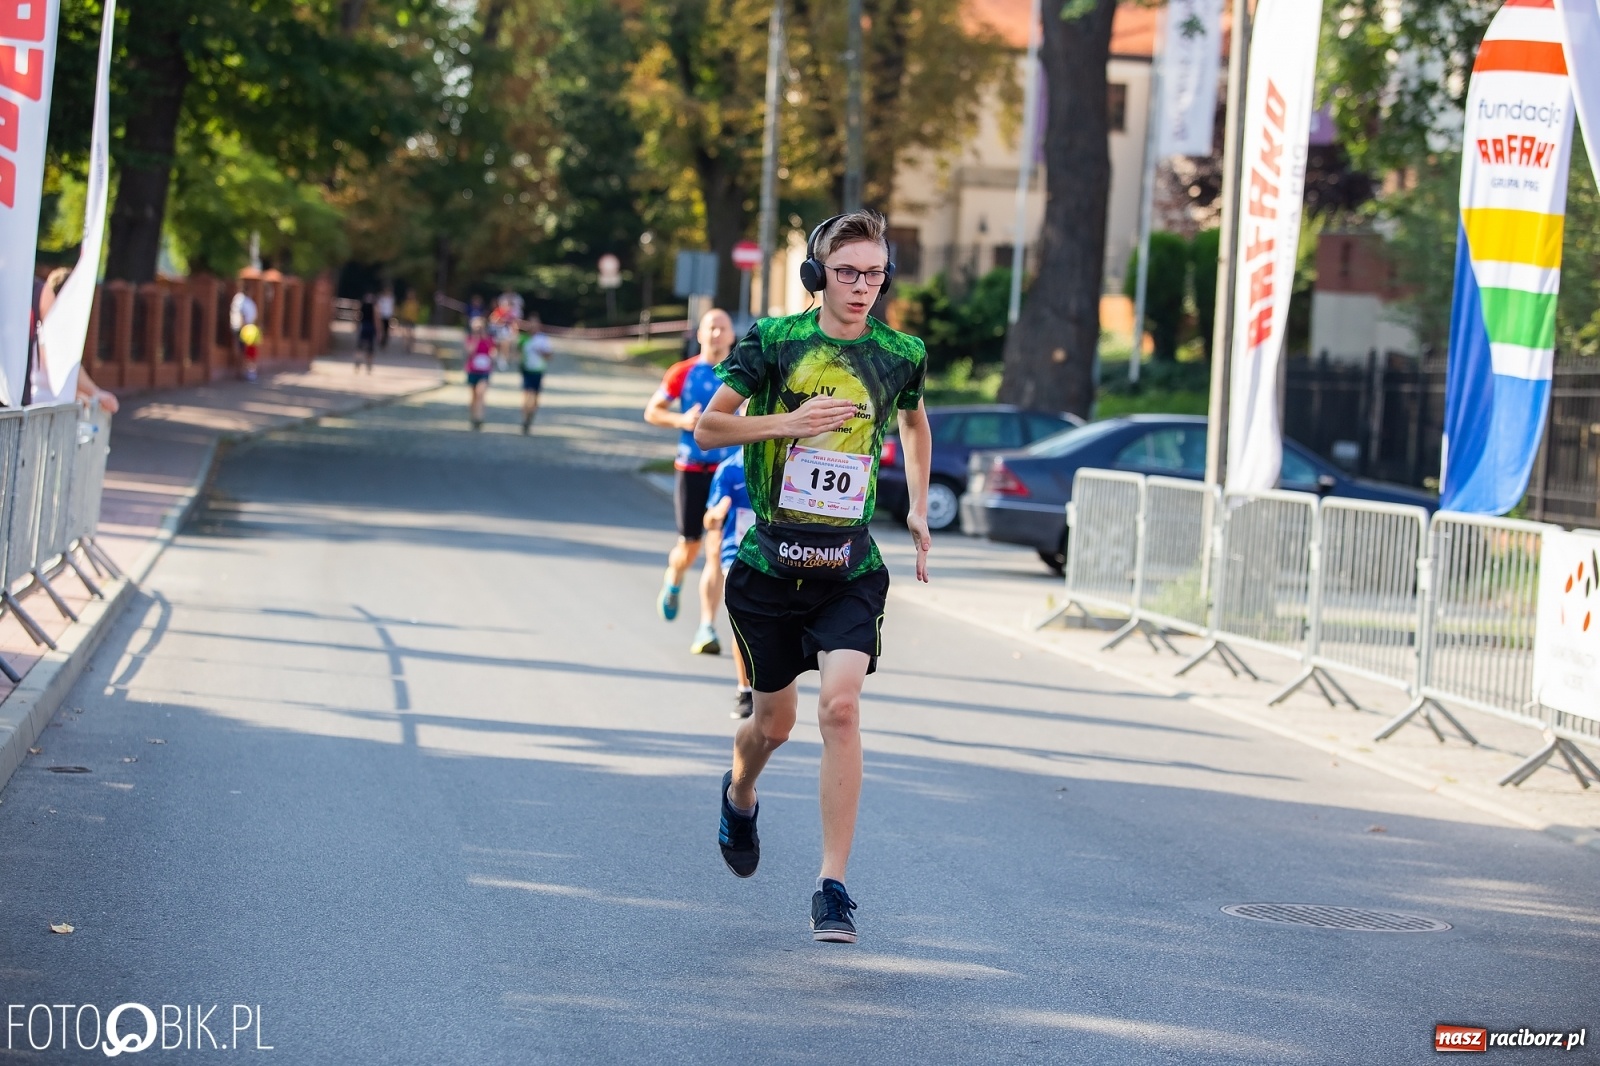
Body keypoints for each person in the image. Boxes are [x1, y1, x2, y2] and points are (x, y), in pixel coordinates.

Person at [693, 210, 932, 944]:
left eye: (875, 273)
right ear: (816, 274)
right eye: (847, 271)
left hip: (847, 567)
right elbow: (708, 427)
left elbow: (915, 422)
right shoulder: (774, 341)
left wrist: (919, 507)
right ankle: (740, 793)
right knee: (774, 725)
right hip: (769, 566)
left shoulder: (899, 353)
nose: (862, 286)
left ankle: (833, 886)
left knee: (841, 709)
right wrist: (786, 424)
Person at [643, 309, 737, 653]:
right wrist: (681, 420)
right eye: (711, 328)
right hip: (692, 469)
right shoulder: (683, 372)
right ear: (700, 334)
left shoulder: (742, 374)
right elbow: (652, 411)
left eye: (722, 328)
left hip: (726, 474)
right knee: (689, 547)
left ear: (732, 336)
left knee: (716, 549)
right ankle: (675, 577)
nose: (716, 334)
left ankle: (706, 628)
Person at [704, 448, 755, 719]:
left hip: (780, 553)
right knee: (743, 623)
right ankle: (745, 690)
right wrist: (716, 514)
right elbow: (709, 520)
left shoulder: (787, 460)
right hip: (737, 553)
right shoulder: (730, 468)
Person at [519, 316, 553, 434]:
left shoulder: (543, 339)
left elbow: (549, 356)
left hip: (538, 371)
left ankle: (531, 414)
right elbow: (518, 352)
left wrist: (541, 352)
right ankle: (525, 418)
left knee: (535, 396)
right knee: (527, 394)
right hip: (526, 370)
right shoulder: (524, 338)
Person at [463, 318, 495, 430]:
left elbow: (492, 351)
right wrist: (476, 339)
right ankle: (473, 416)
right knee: (473, 395)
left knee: (480, 393)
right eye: (476, 328)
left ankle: (479, 417)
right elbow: (470, 352)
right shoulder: (470, 338)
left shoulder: (488, 339)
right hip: (472, 370)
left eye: (480, 327)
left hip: (484, 370)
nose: (479, 330)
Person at [229, 288, 258, 375]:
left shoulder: (248, 301)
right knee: (241, 350)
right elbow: (242, 314)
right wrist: (244, 326)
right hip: (241, 329)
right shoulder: (240, 300)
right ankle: (240, 370)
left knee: (247, 350)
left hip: (248, 329)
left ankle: (246, 370)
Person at [357, 292, 378, 371]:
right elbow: (376, 319)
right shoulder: (374, 307)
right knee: (370, 347)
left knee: (360, 345)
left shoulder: (362, 306)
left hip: (363, 326)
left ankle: (358, 360)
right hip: (371, 327)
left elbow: (358, 316)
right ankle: (369, 364)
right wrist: (379, 331)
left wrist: (356, 325)